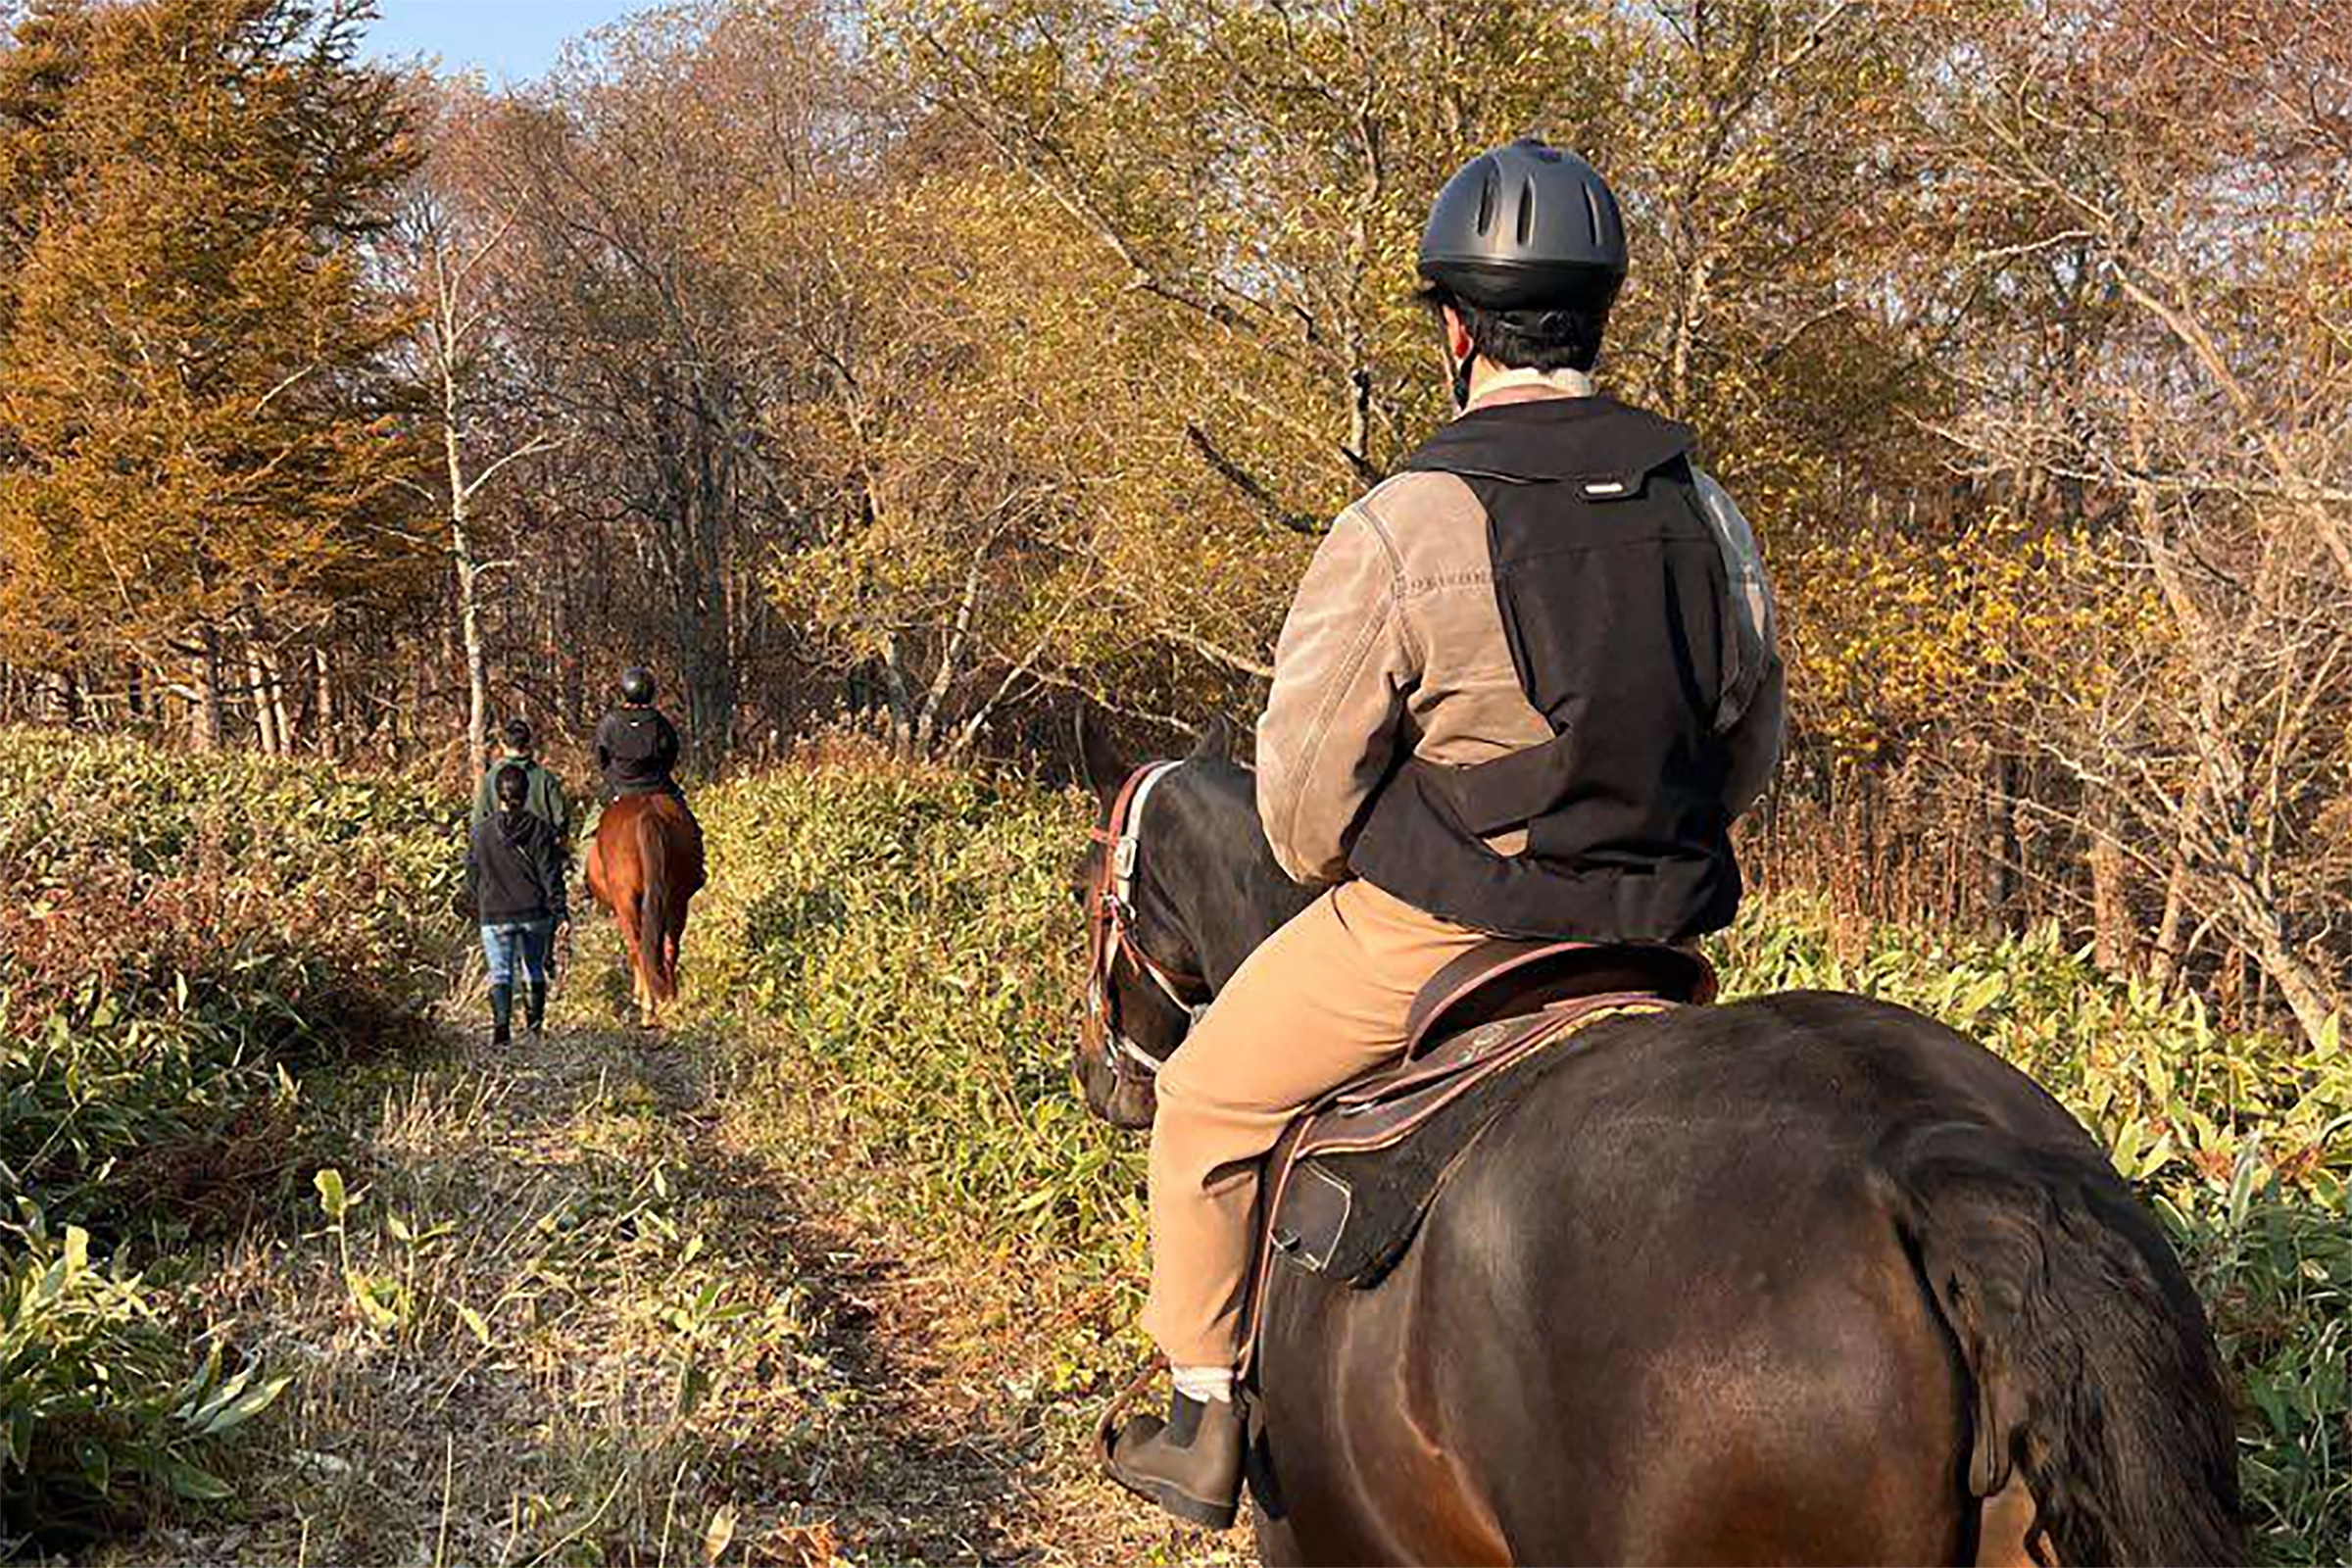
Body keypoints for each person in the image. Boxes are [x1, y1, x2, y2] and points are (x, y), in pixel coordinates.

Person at [1102, 137, 1787, 1529]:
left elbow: (1297, 808)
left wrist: (1376, 858)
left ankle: (1200, 1418)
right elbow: (1749, 740)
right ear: (1600, 319)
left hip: (1442, 930)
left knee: (1205, 1105)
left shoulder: (1409, 516)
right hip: (1655, 942)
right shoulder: (1701, 505)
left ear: (1458, 331)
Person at [466, 763, 569, 1044]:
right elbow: (551, 875)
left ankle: (501, 1033)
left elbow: (472, 877)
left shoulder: (480, 832)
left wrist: (476, 904)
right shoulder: (541, 829)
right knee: (533, 968)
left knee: (500, 972)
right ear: (527, 793)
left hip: (495, 913)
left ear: (496, 794)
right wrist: (560, 911)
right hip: (534, 912)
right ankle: (534, 1028)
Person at [470, 717, 572, 853]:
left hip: (500, 855)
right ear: (529, 743)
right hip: (540, 851)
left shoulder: (491, 777)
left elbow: (478, 821)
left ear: (502, 743)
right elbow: (560, 819)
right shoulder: (544, 777)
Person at [593, 666, 686, 805]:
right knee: (684, 815)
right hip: (657, 786)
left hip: (619, 788)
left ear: (625, 691)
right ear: (651, 692)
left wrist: (612, 777)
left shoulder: (609, 722)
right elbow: (671, 754)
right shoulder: (660, 721)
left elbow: (601, 758)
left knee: (592, 823)